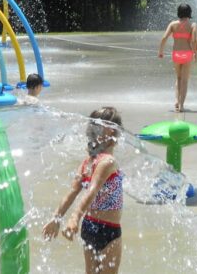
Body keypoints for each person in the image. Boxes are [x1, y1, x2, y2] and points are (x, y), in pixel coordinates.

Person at [42, 107, 124, 274]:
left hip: (90, 227)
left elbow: (72, 192)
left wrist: (57, 218)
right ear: (113, 134)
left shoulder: (88, 162)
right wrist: (74, 217)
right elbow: (91, 191)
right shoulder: (108, 162)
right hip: (109, 229)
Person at [158, 4, 197, 113]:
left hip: (176, 54)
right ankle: (181, 105)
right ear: (189, 13)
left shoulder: (173, 24)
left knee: (178, 78)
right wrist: (195, 53)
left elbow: (164, 37)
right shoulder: (192, 25)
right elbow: (194, 41)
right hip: (187, 53)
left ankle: (176, 100)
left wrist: (161, 51)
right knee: (185, 80)